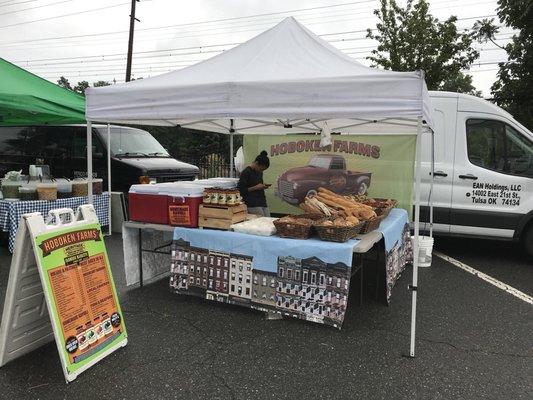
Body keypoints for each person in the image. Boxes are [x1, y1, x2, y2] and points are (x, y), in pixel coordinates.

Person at [238, 150, 271, 217]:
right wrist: (255, 187)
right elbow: (241, 190)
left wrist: (263, 186)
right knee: (261, 222)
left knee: (268, 220)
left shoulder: (259, 173)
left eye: (263, 170)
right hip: (251, 203)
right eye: (261, 169)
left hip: (262, 201)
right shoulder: (246, 172)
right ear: (256, 163)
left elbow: (258, 184)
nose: (261, 171)